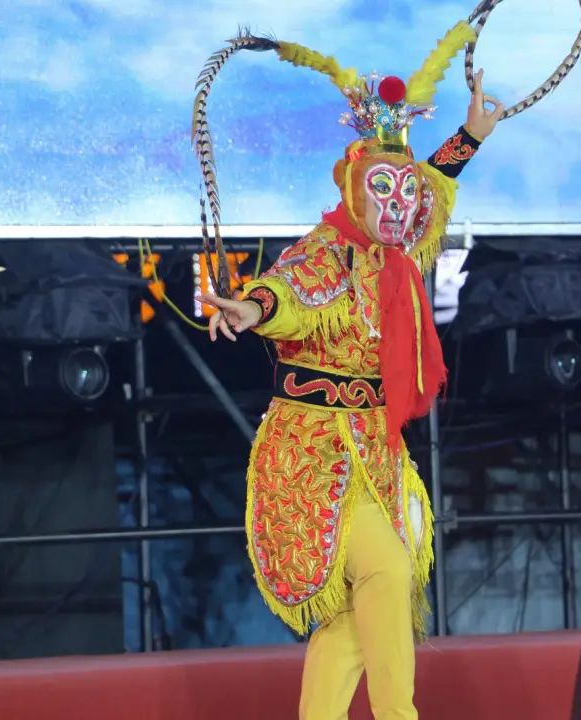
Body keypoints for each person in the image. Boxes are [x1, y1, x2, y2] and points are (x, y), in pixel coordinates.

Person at [195, 21, 503, 719]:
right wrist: (251, 309)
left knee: (355, 619)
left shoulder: (398, 249)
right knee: (387, 570)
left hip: (377, 452)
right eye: (382, 189)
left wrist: (471, 135)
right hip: (315, 453)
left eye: (404, 192)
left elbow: (433, 186)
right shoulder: (325, 252)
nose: (400, 204)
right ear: (353, 189)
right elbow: (287, 294)